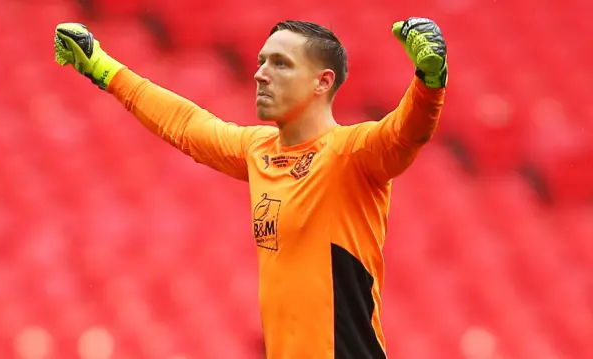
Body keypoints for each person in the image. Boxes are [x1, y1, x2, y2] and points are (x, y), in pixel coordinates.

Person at [54, 17, 447, 359]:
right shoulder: (258, 149)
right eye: (261, 61)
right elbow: (185, 125)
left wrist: (429, 81)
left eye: (281, 64)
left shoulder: (353, 153)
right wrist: (103, 69)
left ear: (322, 82)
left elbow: (406, 132)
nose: (261, 73)